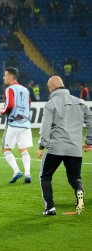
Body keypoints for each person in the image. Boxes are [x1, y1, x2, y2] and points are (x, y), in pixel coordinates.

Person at [38, 76, 92, 216]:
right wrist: (88, 141)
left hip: (56, 147)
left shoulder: (51, 103)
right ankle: (79, 193)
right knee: (75, 178)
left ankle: (50, 208)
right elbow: (91, 121)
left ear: (51, 88)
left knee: (45, 176)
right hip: (74, 148)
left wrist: (41, 145)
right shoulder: (80, 102)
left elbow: (45, 128)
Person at [0, 67, 32, 184]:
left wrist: (2, 111)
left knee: (6, 149)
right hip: (25, 124)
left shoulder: (10, 89)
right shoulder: (25, 89)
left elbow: (10, 105)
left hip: (13, 124)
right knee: (23, 149)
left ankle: (16, 171)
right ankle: (27, 173)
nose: (4, 77)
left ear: (10, 76)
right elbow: (29, 104)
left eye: (5, 75)